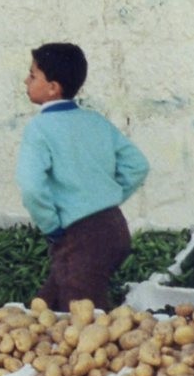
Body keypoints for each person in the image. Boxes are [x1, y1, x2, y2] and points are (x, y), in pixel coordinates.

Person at [16, 42, 149, 310]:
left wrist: (50, 225)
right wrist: (106, 198)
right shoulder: (95, 121)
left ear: (53, 88)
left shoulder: (39, 129)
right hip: (114, 227)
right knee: (49, 301)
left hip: (78, 236)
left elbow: (31, 187)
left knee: (82, 314)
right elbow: (137, 165)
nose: (26, 81)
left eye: (32, 75)